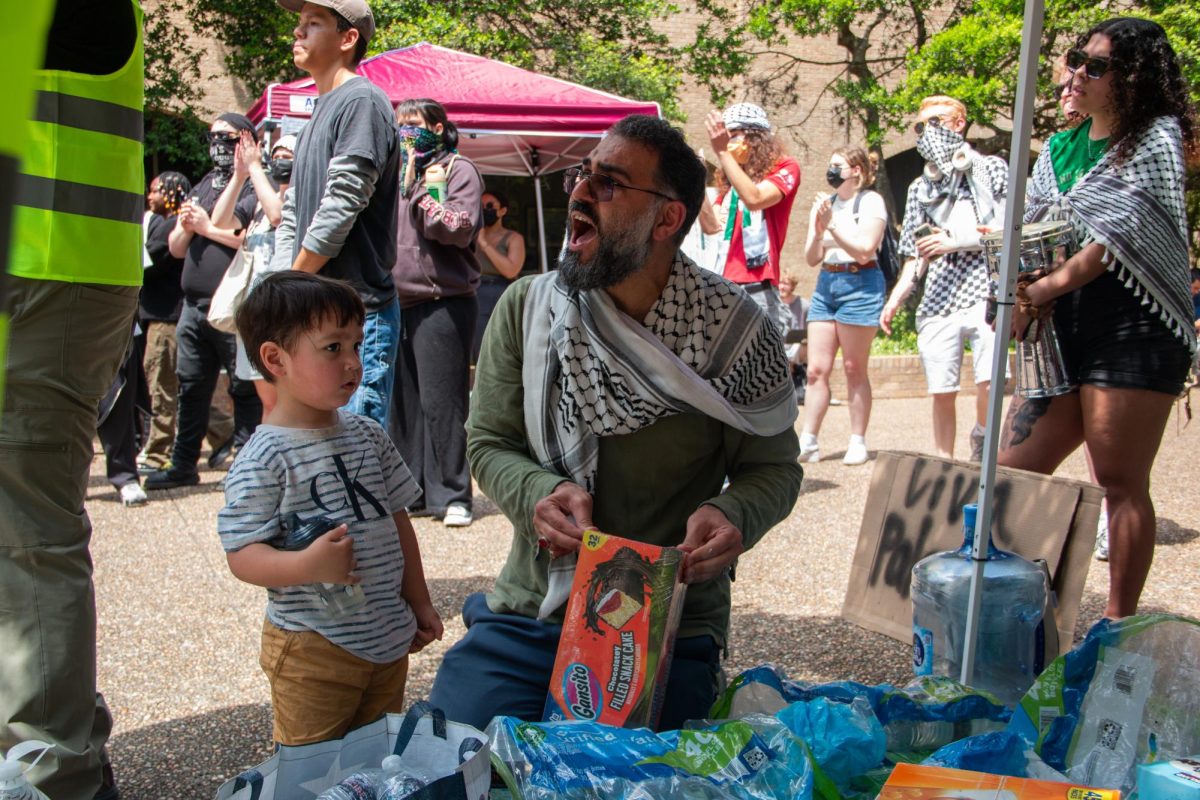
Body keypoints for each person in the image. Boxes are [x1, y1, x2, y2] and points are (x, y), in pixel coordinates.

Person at [427, 115, 802, 732]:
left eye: (608, 184)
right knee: (455, 756)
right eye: (583, 175)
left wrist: (734, 515)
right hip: (535, 610)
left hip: (668, 621)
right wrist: (537, 494)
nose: (578, 193)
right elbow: (490, 444)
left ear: (666, 219)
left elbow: (773, 470)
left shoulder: (734, 335)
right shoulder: (528, 309)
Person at [999, 18, 1197, 619]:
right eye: (1075, 59)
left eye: (1097, 65)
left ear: (1132, 78)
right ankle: (1019, 611)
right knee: (1010, 471)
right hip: (1062, 322)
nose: (1077, 72)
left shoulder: (1155, 139)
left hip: (1134, 322)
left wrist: (1037, 294)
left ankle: (1117, 625)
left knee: (1117, 477)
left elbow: (1113, 241)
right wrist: (1017, 292)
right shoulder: (1059, 147)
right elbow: (1033, 236)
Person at [1, 2, 143, 797]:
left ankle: (53, 770)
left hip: (41, 272)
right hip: (52, 269)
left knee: (25, 537)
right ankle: (53, 744)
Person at [218, 270, 443, 746]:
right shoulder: (264, 457)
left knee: (376, 759)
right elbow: (242, 554)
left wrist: (419, 600)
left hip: (385, 639)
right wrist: (305, 564)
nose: (353, 363)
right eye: (332, 348)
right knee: (310, 768)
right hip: (313, 648)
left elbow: (397, 523)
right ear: (275, 359)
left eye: (357, 346)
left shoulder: (367, 435)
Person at [271, 0, 401, 431]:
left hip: (358, 316)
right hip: (313, 309)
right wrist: (277, 287)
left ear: (348, 39)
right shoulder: (313, 117)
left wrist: (292, 281)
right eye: (298, 24)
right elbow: (292, 211)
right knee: (322, 451)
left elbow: (341, 205)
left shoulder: (362, 100)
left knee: (357, 455)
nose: (298, 32)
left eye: (313, 23)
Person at [881, 95, 1009, 462]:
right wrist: (896, 298)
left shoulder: (991, 169)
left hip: (986, 284)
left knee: (990, 376)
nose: (926, 133)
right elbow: (914, 253)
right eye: (920, 126)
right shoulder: (920, 188)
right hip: (939, 294)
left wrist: (957, 241)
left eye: (936, 122)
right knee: (941, 387)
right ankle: (944, 462)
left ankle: (984, 443)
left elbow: (1006, 228)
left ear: (959, 124)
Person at [144, 113, 263, 490]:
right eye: (211, 137)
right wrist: (187, 226)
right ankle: (183, 463)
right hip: (193, 309)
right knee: (190, 387)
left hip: (233, 307)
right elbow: (178, 248)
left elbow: (243, 236)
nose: (216, 145)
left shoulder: (254, 185)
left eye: (225, 137)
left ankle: (244, 466)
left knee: (244, 387)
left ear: (243, 139)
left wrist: (207, 227)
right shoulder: (205, 183)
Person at [389, 98, 485, 527]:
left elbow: (458, 228)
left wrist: (424, 193)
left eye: (415, 126)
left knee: (443, 402)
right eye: (400, 126)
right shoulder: (394, 173)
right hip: (395, 300)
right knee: (403, 404)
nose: (407, 134)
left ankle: (454, 494)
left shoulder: (457, 169)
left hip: (442, 300)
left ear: (439, 127)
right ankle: (414, 490)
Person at [800, 146, 888, 465]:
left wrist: (832, 227)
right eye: (830, 164)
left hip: (861, 283)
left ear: (856, 170)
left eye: (838, 165)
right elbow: (812, 258)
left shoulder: (871, 201)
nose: (831, 170)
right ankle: (808, 440)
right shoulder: (824, 204)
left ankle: (857, 440)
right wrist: (819, 229)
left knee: (853, 368)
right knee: (816, 369)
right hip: (827, 283)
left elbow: (865, 250)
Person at [698, 103, 801, 334]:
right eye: (727, 137)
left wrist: (722, 152)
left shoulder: (786, 167)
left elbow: (755, 198)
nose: (729, 143)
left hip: (758, 287)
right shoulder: (733, 179)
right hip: (721, 285)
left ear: (755, 136)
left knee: (760, 366)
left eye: (734, 135)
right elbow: (711, 225)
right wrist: (696, 182)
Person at [215, 131, 295, 416]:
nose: (280, 162)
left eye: (287, 157)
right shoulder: (258, 199)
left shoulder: (296, 199)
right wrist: (239, 176)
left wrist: (256, 168)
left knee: (281, 401)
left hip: (285, 313)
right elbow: (220, 220)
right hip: (256, 313)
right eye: (276, 157)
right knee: (268, 402)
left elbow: (278, 215)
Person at [472, 188, 525, 361]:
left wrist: (485, 244)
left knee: (501, 343)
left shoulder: (513, 238)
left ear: (502, 210)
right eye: (481, 206)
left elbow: (511, 270)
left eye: (489, 206)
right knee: (476, 344)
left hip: (501, 291)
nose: (485, 210)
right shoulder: (471, 237)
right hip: (476, 291)